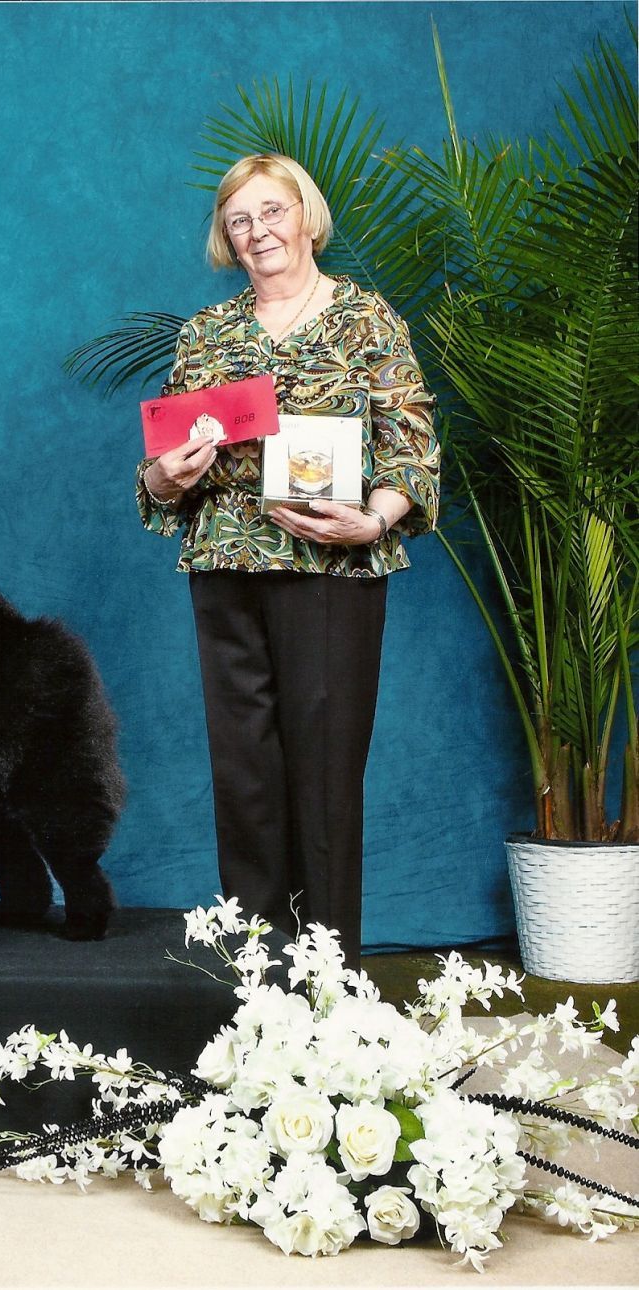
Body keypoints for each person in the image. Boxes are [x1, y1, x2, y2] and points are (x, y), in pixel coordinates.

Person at [136, 153, 439, 966]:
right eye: (239, 220)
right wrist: (168, 476)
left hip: (333, 572)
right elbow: (159, 473)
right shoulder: (206, 335)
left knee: (326, 779)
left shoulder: (367, 319)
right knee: (246, 783)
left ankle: (330, 982)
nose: (257, 231)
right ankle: (258, 980)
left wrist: (374, 520)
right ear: (226, 240)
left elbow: (412, 451)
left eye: (272, 212)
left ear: (306, 216)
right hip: (226, 568)